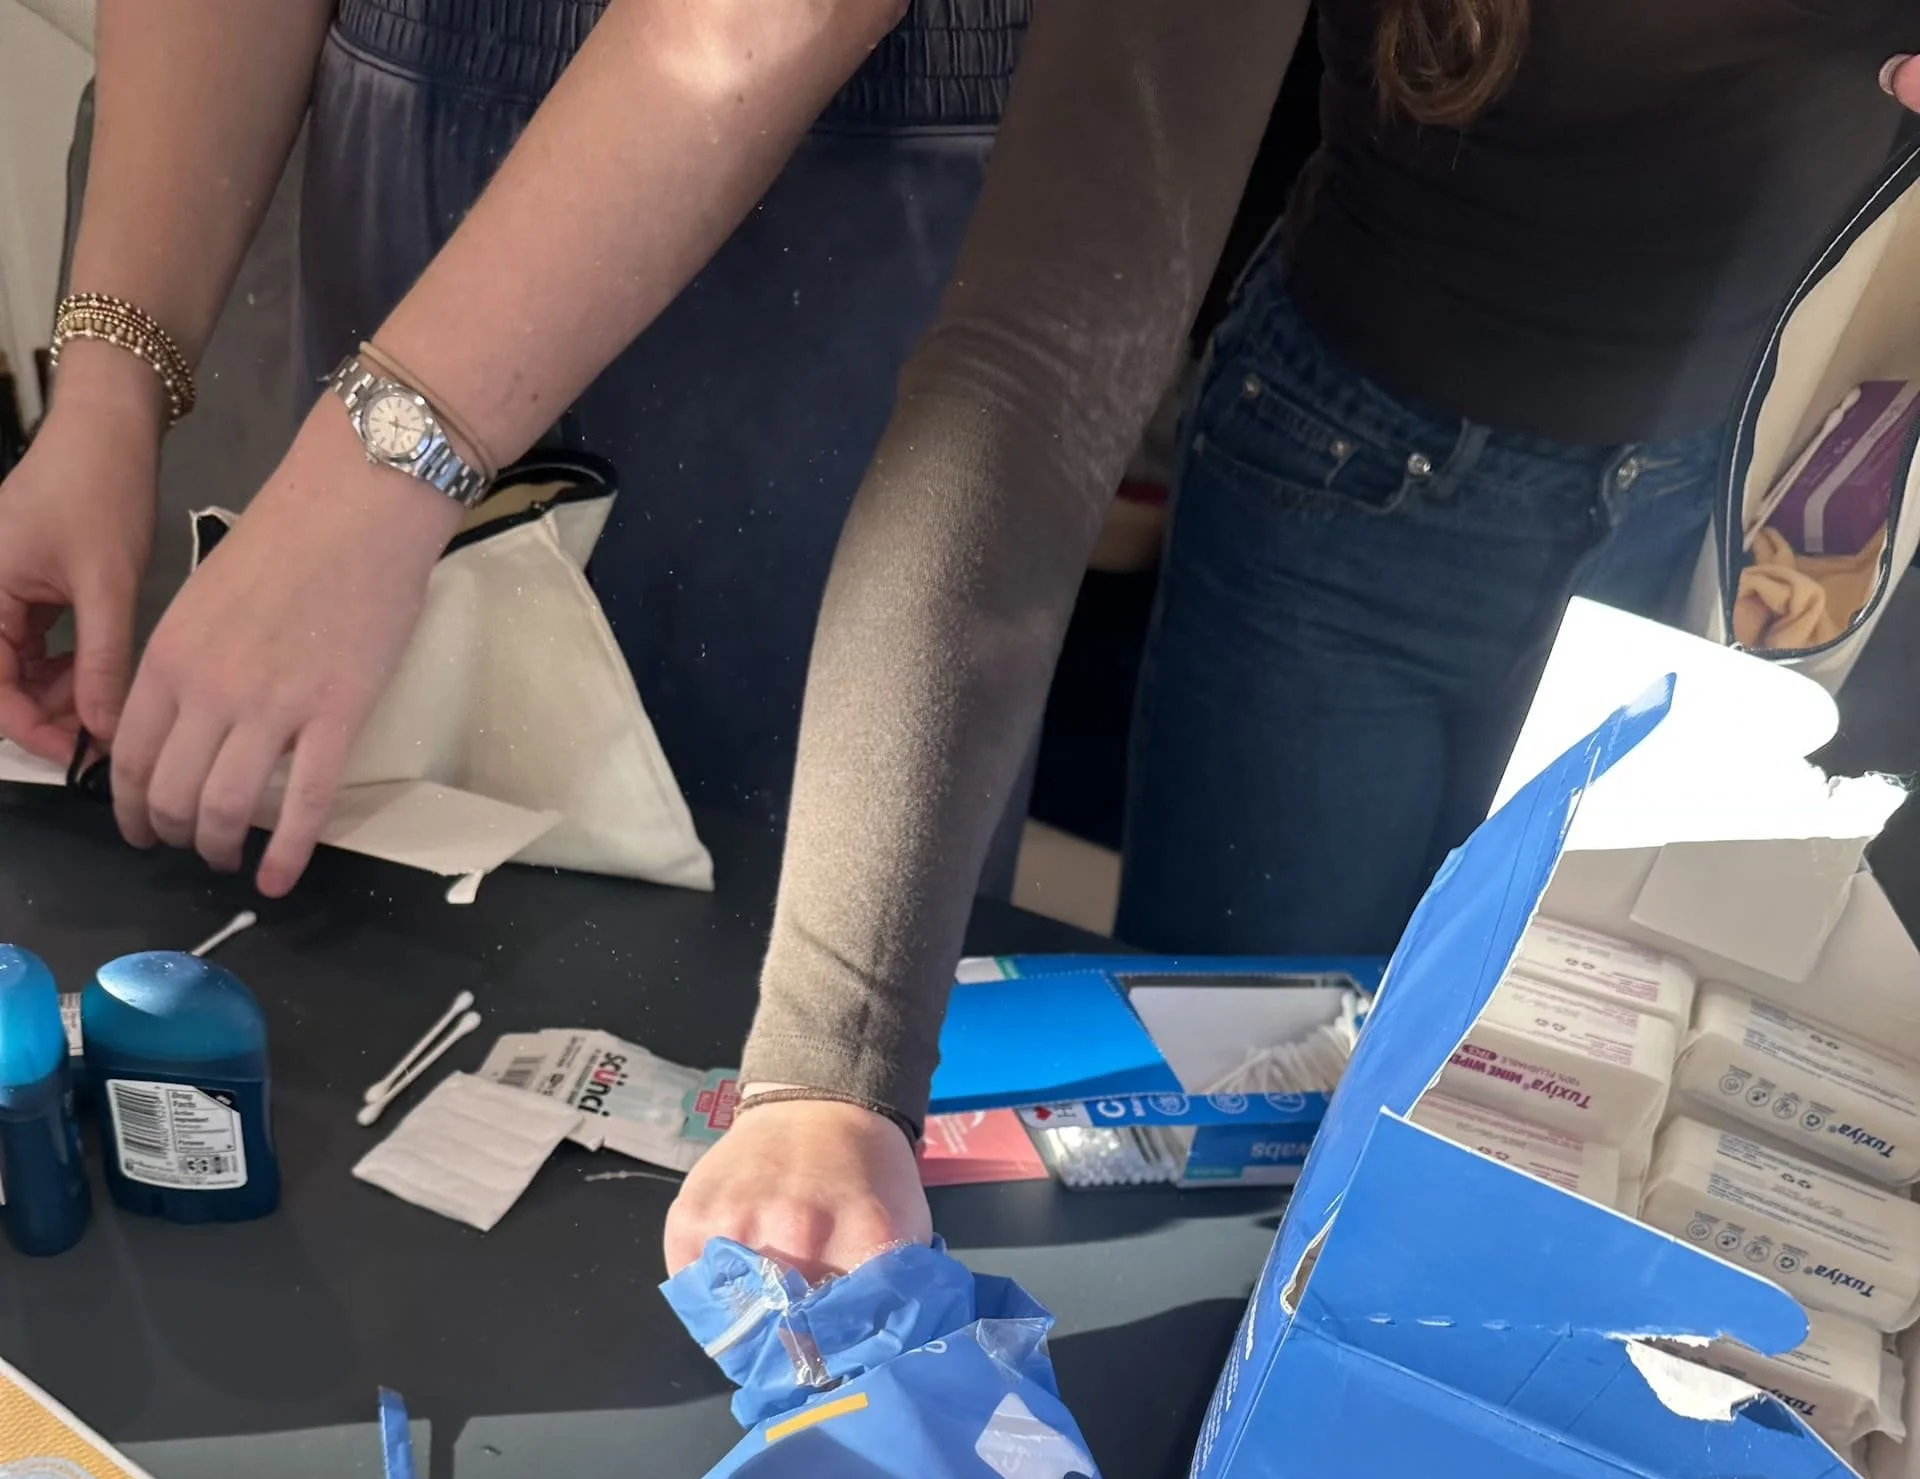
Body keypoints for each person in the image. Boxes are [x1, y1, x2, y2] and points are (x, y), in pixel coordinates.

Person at [667, 0, 1920, 1283]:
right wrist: (830, 1074)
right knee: (1212, 1170)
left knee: (1566, 1139)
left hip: (1754, 516)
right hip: (1350, 489)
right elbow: (1032, 364)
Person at [0, 0, 1027, 887]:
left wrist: (377, 466)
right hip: (402, 164)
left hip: (837, 200)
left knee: (754, 1041)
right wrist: (106, 393)